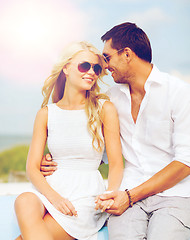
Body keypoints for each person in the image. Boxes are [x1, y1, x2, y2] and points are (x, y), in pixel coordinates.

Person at [41, 23, 190, 240]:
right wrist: (56, 160)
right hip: (126, 197)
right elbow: (98, 148)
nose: (105, 67)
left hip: (174, 196)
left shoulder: (179, 93)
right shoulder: (111, 99)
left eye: (107, 58)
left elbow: (185, 163)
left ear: (127, 54)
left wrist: (129, 197)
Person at [14, 41, 123, 240]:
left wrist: (110, 194)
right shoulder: (46, 113)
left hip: (86, 193)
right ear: (66, 68)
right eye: (84, 66)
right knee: (23, 201)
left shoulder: (104, 109)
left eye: (96, 68)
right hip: (51, 188)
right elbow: (32, 168)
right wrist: (54, 198)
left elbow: (116, 164)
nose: (91, 72)